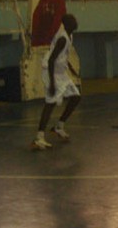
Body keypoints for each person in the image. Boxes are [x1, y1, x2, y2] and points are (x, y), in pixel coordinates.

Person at [31, 14, 81, 150]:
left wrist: (70, 68)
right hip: (51, 71)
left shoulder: (70, 36)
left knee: (76, 97)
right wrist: (52, 83)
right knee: (50, 103)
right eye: (73, 20)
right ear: (67, 24)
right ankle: (39, 138)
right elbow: (52, 59)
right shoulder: (62, 39)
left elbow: (63, 55)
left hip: (61, 72)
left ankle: (59, 126)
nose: (76, 21)